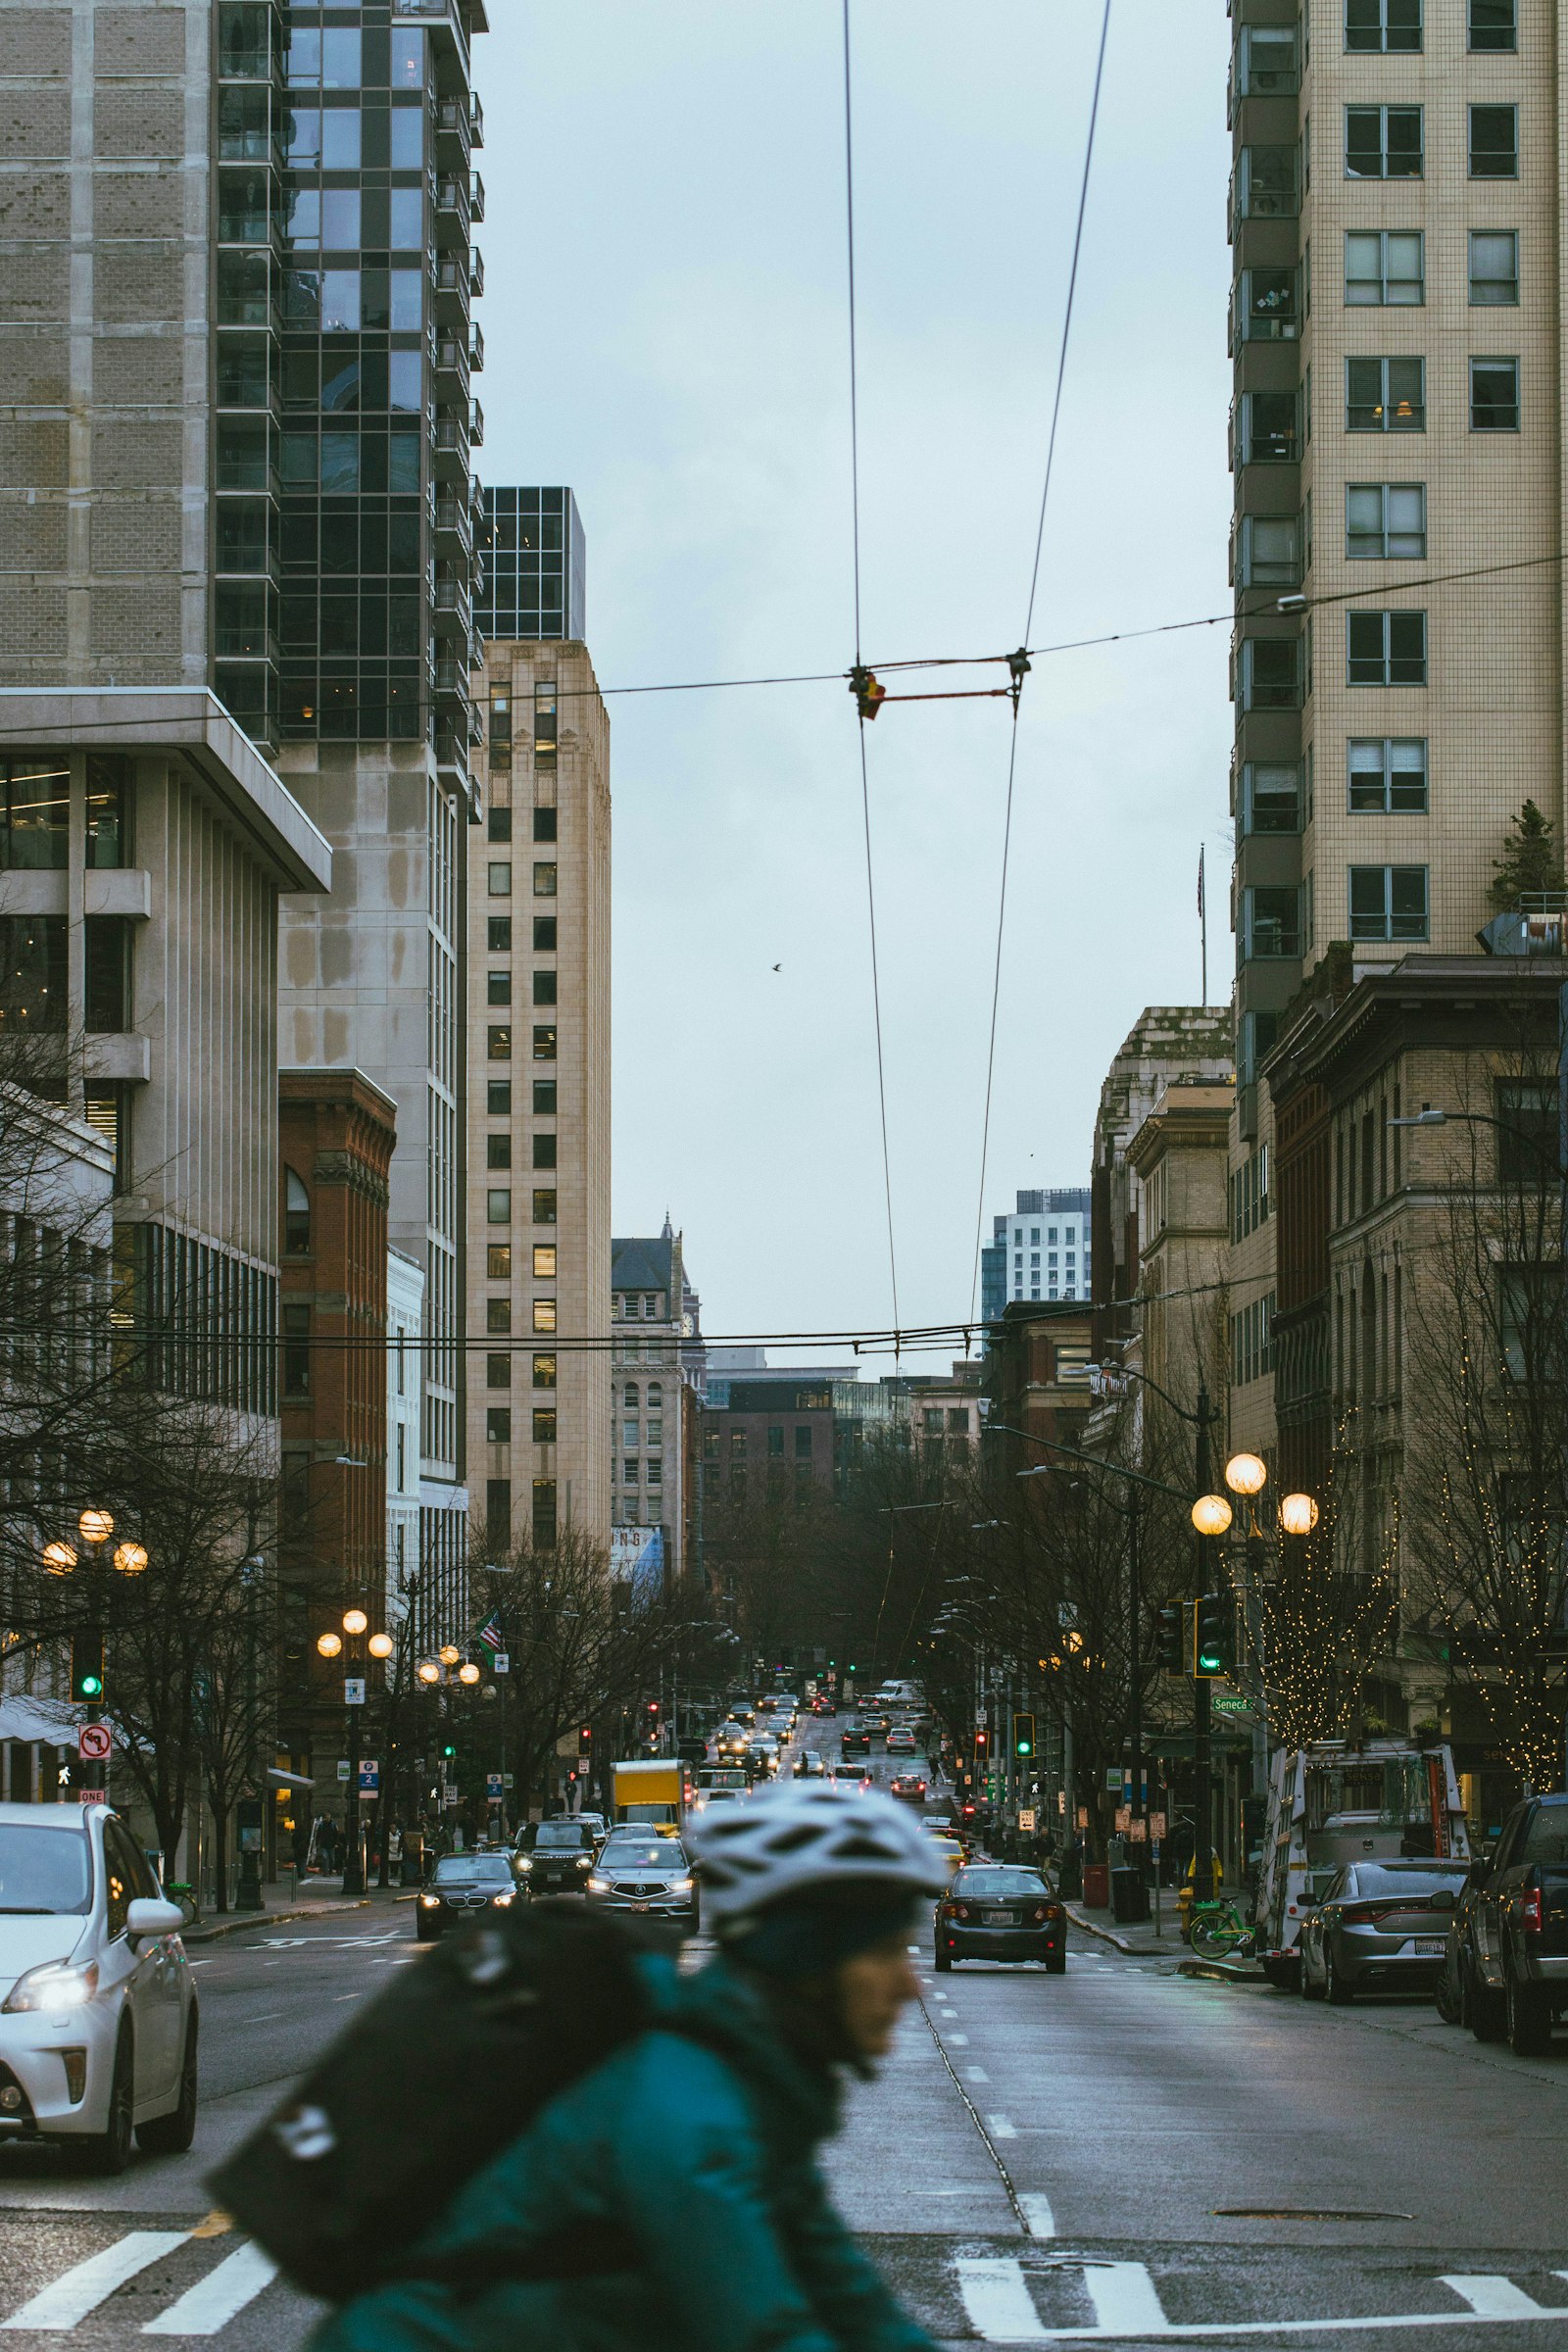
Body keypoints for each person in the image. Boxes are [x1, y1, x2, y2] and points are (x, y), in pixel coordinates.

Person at [312, 1785, 948, 2352]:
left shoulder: (757, 2096)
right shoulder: (692, 2116)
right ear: (810, 1963)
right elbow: (764, 2330)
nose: (910, 1984)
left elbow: (848, 2298)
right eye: (888, 1950)